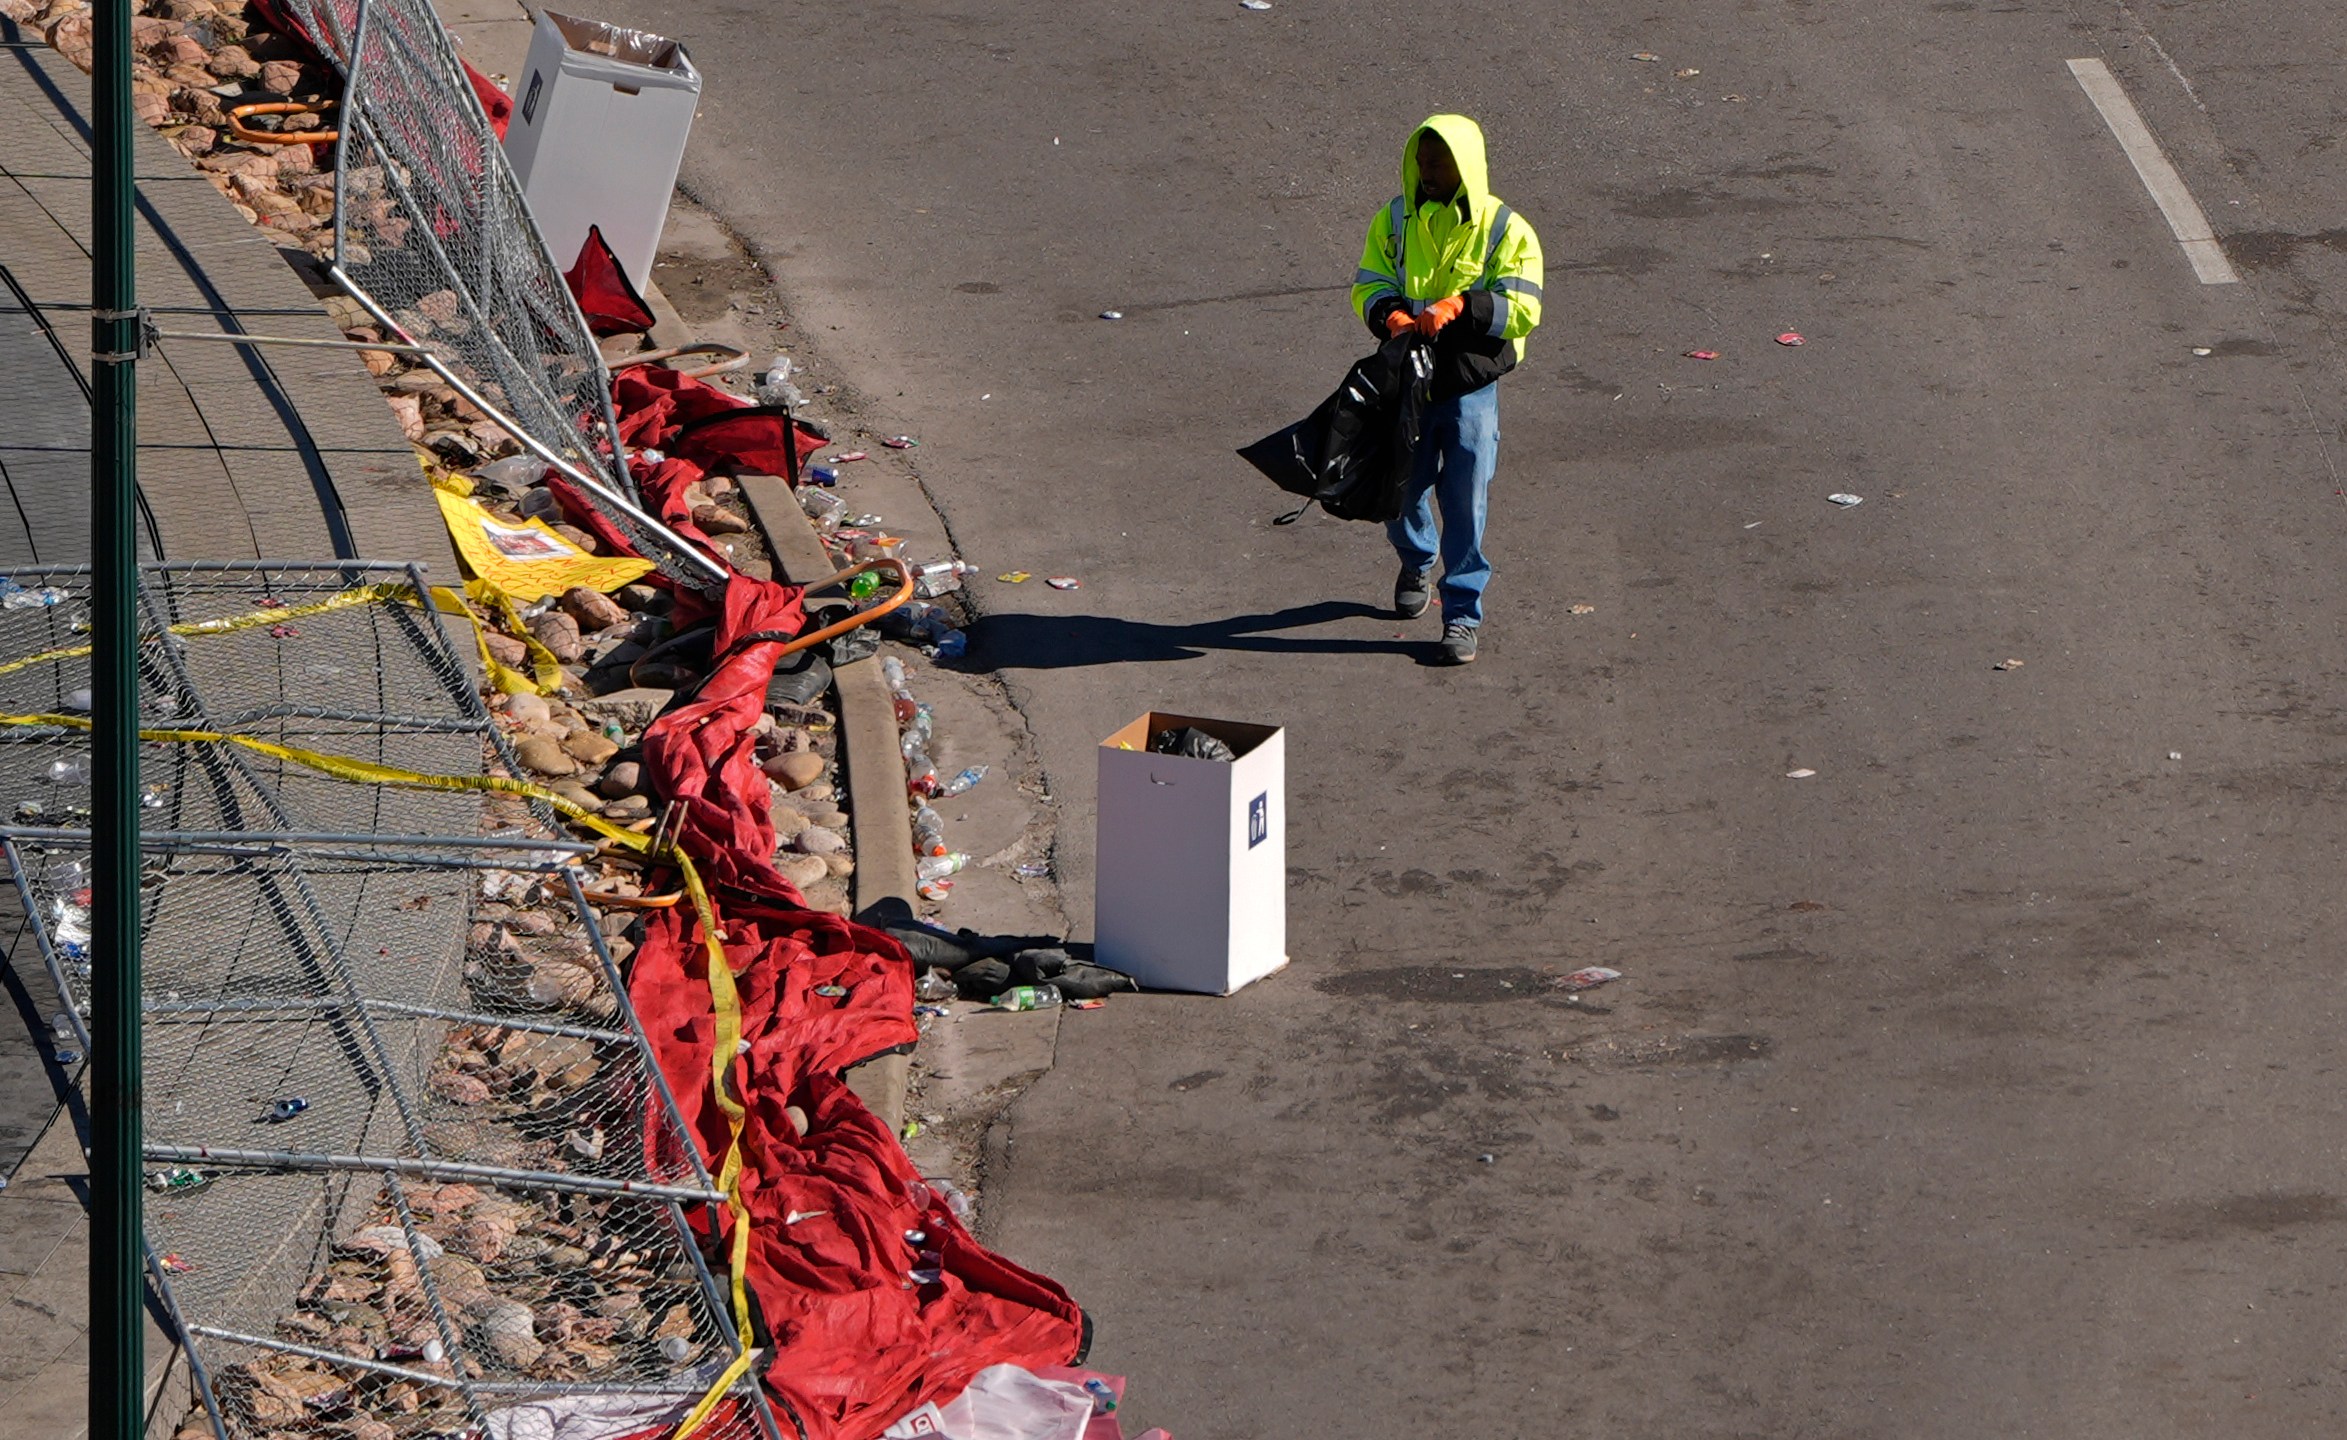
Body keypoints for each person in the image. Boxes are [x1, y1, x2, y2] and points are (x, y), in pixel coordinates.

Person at [1350, 115, 1544, 665]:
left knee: (1464, 505)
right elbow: (1370, 282)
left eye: (1438, 163)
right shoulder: (1393, 218)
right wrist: (1388, 314)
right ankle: (1416, 557)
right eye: (1422, 161)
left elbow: (1525, 306)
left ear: (1466, 168)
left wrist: (1463, 306)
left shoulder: (1506, 229)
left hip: (1467, 390)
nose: (1427, 172)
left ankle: (1461, 613)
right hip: (1406, 382)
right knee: (1398, 490)